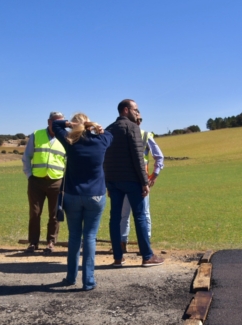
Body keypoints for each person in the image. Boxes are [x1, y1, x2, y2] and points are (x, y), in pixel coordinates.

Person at [52, 113, 112, 291]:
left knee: (74, 237)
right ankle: (88, 281)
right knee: (90, 237)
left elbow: (56, 125)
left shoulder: (70, 142)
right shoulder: (102, 141)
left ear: (75, 126)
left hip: (73, 195)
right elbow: (110, 135)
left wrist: (69, 124)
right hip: (95, 196)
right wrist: (96, 128)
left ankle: (71, 277)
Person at [104, 99, 164, 267]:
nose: (137, 113)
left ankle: (118, 257)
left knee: (115, 218)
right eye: (135, 109)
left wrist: (108, 182)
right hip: (131, 180)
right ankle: (147, 256)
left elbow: (105, 159)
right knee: (140, 217)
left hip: (114, 181)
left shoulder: (109, 129)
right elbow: (138, 157)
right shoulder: (133, 128)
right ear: (125, 110)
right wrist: (145, 182)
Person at [22, 112, 66, 254]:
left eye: (61, 122)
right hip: (36, 181)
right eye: (55, 122)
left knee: (54, 214)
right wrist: (29, 175)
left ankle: (51, 242)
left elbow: (69, 160)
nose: (58, 125)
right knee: (35, 213)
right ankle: (33, 243)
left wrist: (65, 179)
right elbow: (27, 156)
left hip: (57, 181)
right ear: (49, 122)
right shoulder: (37, 134)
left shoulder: (66, 137)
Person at [119, 113, 164, 252]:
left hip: (138, 181)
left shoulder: (144, 135)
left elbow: (159, 157)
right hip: (133, 180)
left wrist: (154, 176)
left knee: (130, 214)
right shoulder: (129, 135)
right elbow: (159, 157)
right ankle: (129, 244)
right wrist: (153, 176)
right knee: (137, 214)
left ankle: (139, 244)